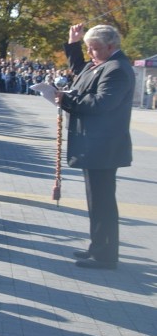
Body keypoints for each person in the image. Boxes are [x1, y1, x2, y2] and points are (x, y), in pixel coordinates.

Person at [57, 23, 135, 270]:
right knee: (97, 200)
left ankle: (105, 255)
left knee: (102, 202)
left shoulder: (117, 69)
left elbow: (102, 103)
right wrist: (73, 43)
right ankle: (98, 247)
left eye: (94, 48)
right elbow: (81, 72)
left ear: (111, 46)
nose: (90, 53)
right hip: (95, 143)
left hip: (104, 146)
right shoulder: (101, 64)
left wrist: (66, 99)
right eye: (88, 48)